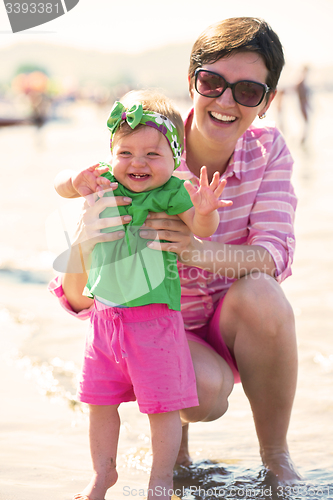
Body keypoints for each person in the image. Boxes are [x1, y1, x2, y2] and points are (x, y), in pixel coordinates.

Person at [49, 16, 300, 492]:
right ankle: (173, 451)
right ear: (192, 82)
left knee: (265, 295)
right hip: (154, 328)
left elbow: (274, 254)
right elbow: (81, 300)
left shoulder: (269, 152)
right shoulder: (142, 154)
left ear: (266, 102)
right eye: (213, 83)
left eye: (248, 91)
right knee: (204, 393)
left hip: (226, 320)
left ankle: (277, 459)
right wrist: (84, 240)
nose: (226, 101)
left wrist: (196, 250)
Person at [51, 89, 233, 500]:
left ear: (175, 159)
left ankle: (160, 479)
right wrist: (74, 181)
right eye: (126, 151)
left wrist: (204, 210)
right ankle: (102, 474)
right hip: (103, 321)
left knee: (162, 406)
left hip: (154, 321)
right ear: (111, 151)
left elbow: (202, 230)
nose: (137, 162)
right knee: (99, 402)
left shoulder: (172, 192)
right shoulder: (104, 179)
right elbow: (61, 184)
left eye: (153, 155)